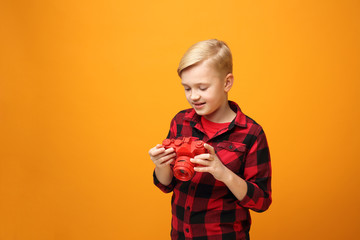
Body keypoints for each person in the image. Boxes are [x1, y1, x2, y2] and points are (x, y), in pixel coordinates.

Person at [149, 39, 272, 240]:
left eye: (202, 88)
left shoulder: (251, 133)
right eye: (187, 88)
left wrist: (222, 172)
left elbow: (261, 202)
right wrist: (161, 165)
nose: (194, 96)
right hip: (180, 235)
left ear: (227, 83)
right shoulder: (180, 121)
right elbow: (166, 185)